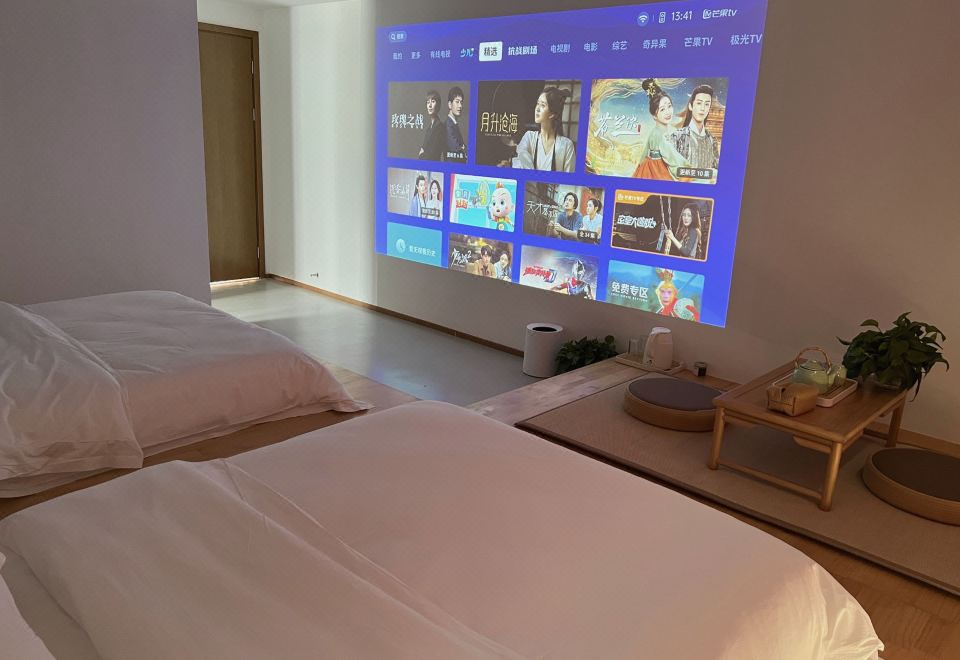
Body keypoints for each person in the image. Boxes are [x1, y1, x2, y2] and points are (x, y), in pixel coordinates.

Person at [509, 87, 576, 172]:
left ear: (552, 114)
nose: (537, 109)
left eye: (543, 105)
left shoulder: (566, 145)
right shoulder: (529, 137)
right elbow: (520, 168)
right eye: (538, 104)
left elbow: (569, 178)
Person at [632, 79, 687, 181]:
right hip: (657, 170)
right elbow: (672, 160)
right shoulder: (659, 135)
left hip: (648, 167)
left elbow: (644, 153)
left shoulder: (659, 131)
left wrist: (640, 165)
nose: (668, 112)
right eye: (662, 109)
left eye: (669, 106)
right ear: (654, 116)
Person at [670, 84, 720, 171]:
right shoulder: (677, 137)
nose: (702, 108)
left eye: (707, 104)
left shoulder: (712, 140)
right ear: (691, 106)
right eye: (699, 103)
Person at [418, 90, 445, 161]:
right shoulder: (429, 129)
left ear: (438, 105)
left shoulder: (440, 127)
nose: (430, 105)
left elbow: (432, 154)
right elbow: (423, 149)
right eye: (428, 102)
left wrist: (422, 154)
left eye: (433, 101)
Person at [444, 86, 466, 162]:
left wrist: (463, 148)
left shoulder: (453, 123)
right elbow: (456, 149)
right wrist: (463, 148)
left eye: (461, 102)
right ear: (450, 104)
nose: (460, 106)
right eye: (457, 102)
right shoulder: (448, 125)